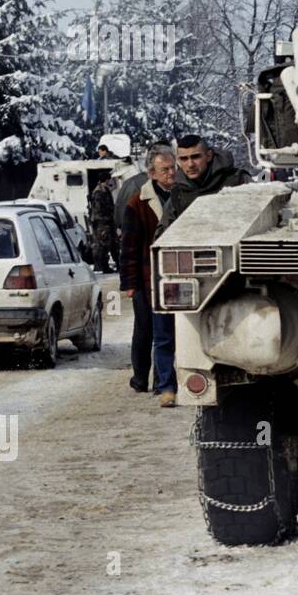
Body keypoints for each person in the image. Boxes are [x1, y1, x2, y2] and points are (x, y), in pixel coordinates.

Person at [120, 145, 177, 406]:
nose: (171, 173)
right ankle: (141, 377)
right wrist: (129, 283)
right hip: (146, 276)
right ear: (152, 173)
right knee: (145, 328)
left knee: (166, 331)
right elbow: (129, 246)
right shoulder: (138, 202)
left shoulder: (181, 195)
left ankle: (162, 381)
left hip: (173, 273)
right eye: (164, 169)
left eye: (172, 167)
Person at [159, 135, 249, 233]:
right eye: (184, 159)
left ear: (208, 156)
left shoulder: (238, 181)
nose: (190, 164)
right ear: (178, 161)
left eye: (196, 157)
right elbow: (163, 234)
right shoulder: (178, 193)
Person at [86, 177, 118, 273]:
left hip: (107, 221)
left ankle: (110, 265)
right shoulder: (99, 192)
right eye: (108, 180)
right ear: (106, 180)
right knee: (103, 245)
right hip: (102, 222)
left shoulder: (104, 190)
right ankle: (102, 266)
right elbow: (98, 210)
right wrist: (104, 222)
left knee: (112, 244)